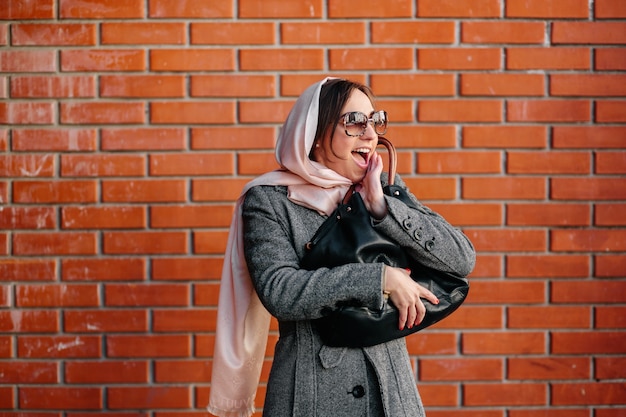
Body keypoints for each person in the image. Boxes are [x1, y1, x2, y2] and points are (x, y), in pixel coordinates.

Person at [208, 78, 476, 417]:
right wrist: (378, 279)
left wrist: (382, 208)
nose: (370, 134)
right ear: (315, 135)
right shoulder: (269, 200)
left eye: (375, 121)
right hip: (310, 396)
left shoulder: (385, 188)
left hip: (391, 397)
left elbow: (462, 259)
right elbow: (280, 291)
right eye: (354, 122)